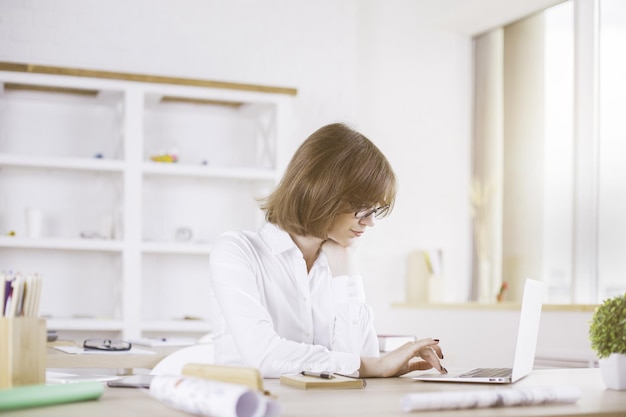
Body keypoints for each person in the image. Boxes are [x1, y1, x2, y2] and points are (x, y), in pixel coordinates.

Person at [208, 123, 446, 378]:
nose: (370, 222)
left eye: (373, 210)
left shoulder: (336, 262)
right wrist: (372, 366)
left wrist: (345, 270)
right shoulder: (236, 252)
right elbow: (263, 356)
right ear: (322, 193)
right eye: (362, 209)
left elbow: (358, 366)